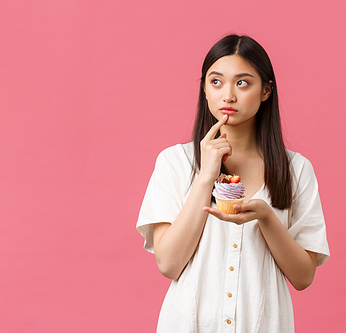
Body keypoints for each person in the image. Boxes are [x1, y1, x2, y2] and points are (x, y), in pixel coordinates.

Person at [137, 34, 329, 333]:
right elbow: (169, 265)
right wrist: (205, 177)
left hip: (264, 324)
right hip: (189, 323)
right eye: (216, 82)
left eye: (242, 83)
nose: (228, 95)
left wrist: (266, 216)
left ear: (266, 91)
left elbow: (303, 277)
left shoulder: (296, 170)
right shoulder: (175, 162)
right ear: (204, 88)